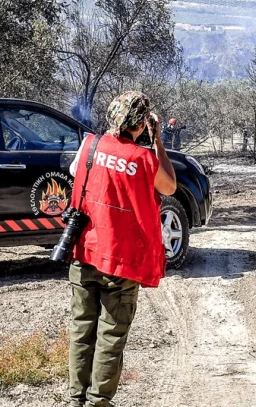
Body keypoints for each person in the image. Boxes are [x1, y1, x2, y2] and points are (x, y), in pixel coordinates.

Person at [66, 91, 177, 407]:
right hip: (120, 261)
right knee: (111, 338)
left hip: (84, 253)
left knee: (81, 331)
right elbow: (169, 187)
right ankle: (99, 401)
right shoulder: (143, 159)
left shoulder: (90, 146)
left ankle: (76, 398)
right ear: (142, 123)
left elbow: (77, 173)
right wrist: (157, 142)